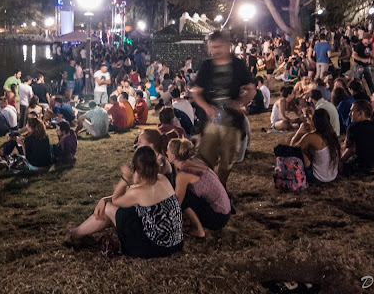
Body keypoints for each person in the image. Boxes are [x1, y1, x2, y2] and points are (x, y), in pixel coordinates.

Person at [65, 147, 183, 258]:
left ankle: (74, 235)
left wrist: (125, 178)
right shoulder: (162, 179)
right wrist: (104, 199)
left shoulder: (138, 192)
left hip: (154, 248)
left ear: (136, 169)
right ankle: (79, 233)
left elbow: (116, 200)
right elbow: (132, 191)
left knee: (109, 208)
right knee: (123, 212)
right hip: (176, 242)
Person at [191, 30, 256, 186]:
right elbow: (196, 93)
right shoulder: (207, 66)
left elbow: (251, 89)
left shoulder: (238, 65)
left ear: (227, 46)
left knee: (227, 161)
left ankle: (221, 188)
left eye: (218, 47)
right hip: (210, 122)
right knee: (205, 158)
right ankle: (209, 188)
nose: (215, 51)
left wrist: (240, 102)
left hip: (232, 122)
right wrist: (206, 107)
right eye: (212, 47)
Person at [167, 138, 231, 237]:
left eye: (168, 150)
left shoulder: (183, 174)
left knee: (182, 197)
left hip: (217, 218)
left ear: (174, 156)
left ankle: (198, 229)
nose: (166, 153)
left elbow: (177, 202)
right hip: (225, 212)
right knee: (183, 192)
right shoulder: (194, 161)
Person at [288, 108, 340, 184]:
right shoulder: (332, 135)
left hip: (317, 178)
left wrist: (299, 131)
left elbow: (291, 148)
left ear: (315, 121)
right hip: (333, 176)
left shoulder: (311, 137)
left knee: (302, 152)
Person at [340, 100, 374, 176]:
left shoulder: (353, 127)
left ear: (360, 113)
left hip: (362, 169)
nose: (349, 114)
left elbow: (347, 146)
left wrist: (341, 160)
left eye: (352, 111)